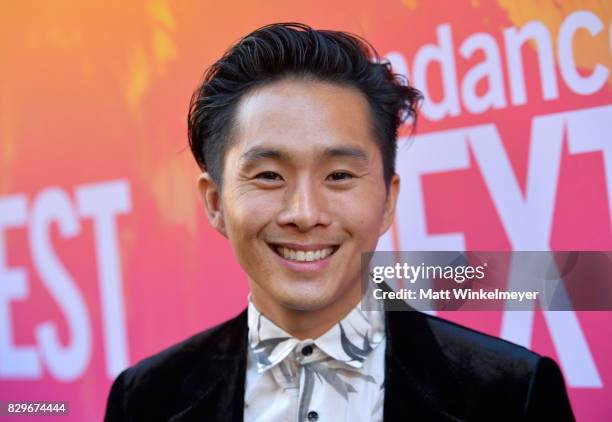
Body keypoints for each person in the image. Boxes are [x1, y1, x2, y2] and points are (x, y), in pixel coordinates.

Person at [104, 22, 575, 421]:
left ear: (388, 200)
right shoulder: (144, 400)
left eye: (339, 175)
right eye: (269, 175)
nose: (305, 214)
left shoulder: (512, 394)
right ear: (215, 202)